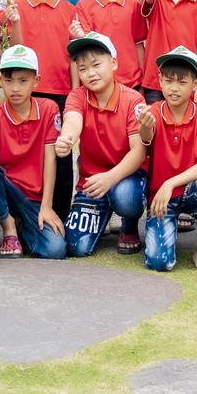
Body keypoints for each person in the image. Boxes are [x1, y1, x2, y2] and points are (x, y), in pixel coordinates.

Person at [57, 31, 149, 257]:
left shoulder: (132, 99)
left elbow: (139, 151)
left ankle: (128, 224)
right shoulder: (77, 96)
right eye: (83, 68)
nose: (90, 73)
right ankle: (103, 211)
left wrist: (110, 178)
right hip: (92, 182)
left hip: (126, 176)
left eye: (96, 65)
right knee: (75, 247)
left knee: (126, 198)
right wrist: (67, 138)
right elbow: (72, 120)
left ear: (114, 63)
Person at [0, 45, 68, 260]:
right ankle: (9, 227)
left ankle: (23, 224)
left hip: (33, 197)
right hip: (5, 189)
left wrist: (46, 206)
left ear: (36, 81)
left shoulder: (48, 108)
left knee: (56, 250)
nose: (15, 88)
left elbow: (50, 159)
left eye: (23, 81)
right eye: (9, 81)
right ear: (0, 80)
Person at [135, 47, 197, 271]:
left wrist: (171, 182)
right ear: (160, 81)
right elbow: (144, 143)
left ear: (195, 84)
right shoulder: (154, 111)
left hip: (188, 190)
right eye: (168, 81)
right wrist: (144, 128)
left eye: (182, 82)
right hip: (161, 200)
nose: (174, 88)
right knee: (159, 262)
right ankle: (168, 228)